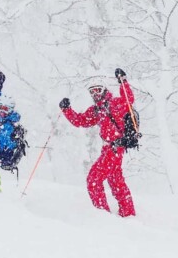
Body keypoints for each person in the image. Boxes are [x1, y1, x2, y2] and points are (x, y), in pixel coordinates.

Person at [59, 67, 137, 217]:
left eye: (98, 90)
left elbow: (129, 99)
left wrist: (123, 81)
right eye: (92, 91)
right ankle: (128, 213)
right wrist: (67, 109)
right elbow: (81, 121)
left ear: (104, 90)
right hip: (109, 149)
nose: (95, 94)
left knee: (93, 179)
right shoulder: (97, 110)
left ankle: (102, 215)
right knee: (115, 181)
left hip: (115, 147)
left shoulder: (115, 104)